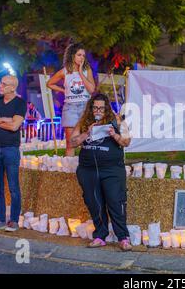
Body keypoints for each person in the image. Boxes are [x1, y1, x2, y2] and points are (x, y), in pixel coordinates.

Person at [70, 93, 132, 251]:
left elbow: (126, 141)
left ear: (107, 109)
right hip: (88, 170)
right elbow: (72, 141)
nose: (98, 111)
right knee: (94, 203)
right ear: (90, 108)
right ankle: (100, 235)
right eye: (95, 108)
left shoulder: (117, 120)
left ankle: (123, 238)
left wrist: (114, 134)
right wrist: (87, 134)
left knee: (115, 202)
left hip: (111, 169)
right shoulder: (84, 122)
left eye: (101, 108)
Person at [0, 75, 27, 232]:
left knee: (14, 187)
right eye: (1, 83)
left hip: (10, 150)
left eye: (3, 83)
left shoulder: (20, 103)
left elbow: (15, 126)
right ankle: (0, 219)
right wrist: (3, 119)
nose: (0, 85)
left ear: (12, 87)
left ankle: (13, 221)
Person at [47, 43, 95, 156]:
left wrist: (80, 73)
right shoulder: (64, 72)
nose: (82, 57)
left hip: (86, 107)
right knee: (70, 144)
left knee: (88, 142)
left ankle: (87, 168)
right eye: (79, 55)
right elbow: (49, 83)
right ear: (72, 56)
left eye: (83, 55)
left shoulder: (87, 70)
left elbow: (92, 89)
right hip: (70, 108)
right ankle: (69, 171)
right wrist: (64, 91)